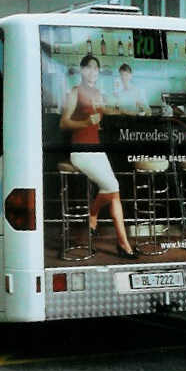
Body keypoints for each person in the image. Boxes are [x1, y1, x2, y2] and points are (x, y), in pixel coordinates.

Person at [59, 54, 138, 259]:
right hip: (81, 150)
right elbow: (64, 122)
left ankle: (115, 236)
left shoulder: (97, 93)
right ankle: (117, 238)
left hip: (97, 150)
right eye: (89, 68)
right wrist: (85, 123)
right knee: (113, 187)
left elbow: (105, 110)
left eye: (96, 68)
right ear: (83, 70)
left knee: (113, 191)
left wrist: (127, 111)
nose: (93, 72)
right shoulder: (75, 92)